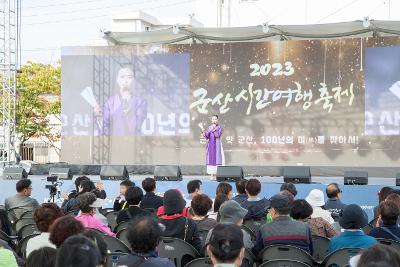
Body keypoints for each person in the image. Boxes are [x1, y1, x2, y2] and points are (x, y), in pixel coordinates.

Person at [96, 64, 147, 136]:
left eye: (129, 77)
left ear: (134, 79)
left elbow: (137, 125)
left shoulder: (140, 102)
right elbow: (104, 127)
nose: (125, 81)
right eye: (122, 77)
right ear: (117, 79)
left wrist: (126, 106)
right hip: (114, 143)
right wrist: (99, 115)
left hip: (133, 142)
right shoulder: (110, 102)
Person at [202, 114, 224, 180]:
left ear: (217, 120)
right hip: (211, 145)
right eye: (213, 119)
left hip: (217, 145)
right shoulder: (209, 127)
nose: (214, 120)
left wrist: (214, 129)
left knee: (217, 158)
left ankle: (216, 174)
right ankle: (212, 174)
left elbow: (217, 135)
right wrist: (203, 129)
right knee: (210, 159)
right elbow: (206, 136)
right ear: (211, 120)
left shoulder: (219, 127)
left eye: (215, 119)